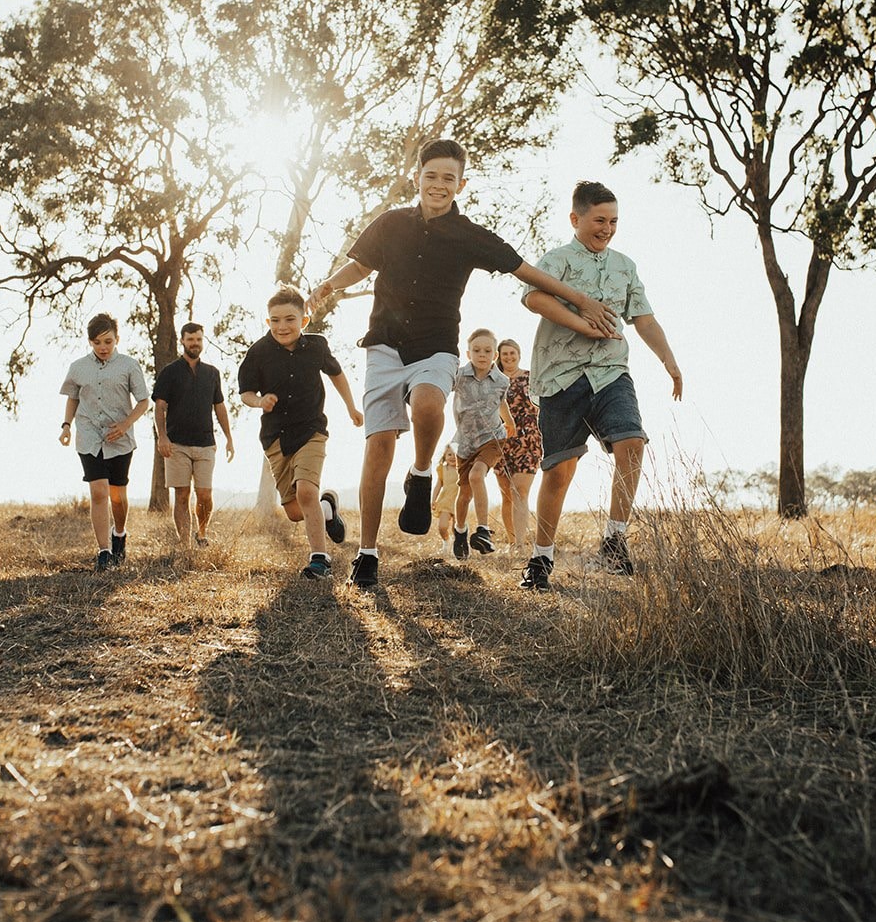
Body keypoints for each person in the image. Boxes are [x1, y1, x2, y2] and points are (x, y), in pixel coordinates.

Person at [308, 137, 617, 590]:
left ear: (461, 184)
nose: (438, 185)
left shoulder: (470, 235)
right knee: (377, 448)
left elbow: (527, 272)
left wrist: (581, 299)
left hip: (435, 347)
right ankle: (367, 553)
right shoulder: (390, 224)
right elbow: (361, 265)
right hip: (383, 346)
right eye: (430, 176)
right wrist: (329, 286)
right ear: (416, 178)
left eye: (448, 178)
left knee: (430, 404)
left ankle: (419, 473)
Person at [518, 181, 683, 591]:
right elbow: (533, 299)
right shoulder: (557, 260)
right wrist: (582, 323)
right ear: (576, 219)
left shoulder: (625, 266)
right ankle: (540, 560)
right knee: (559, 472)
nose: (607, 228)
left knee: (632, 442)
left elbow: (643, 318)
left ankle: (614, 539)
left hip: (611, 373)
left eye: (613, 221)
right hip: (561, 377)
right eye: (599, 220)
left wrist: (669, 359)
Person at [236, 285, 364, 580]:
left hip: (311, 430)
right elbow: (245, 392)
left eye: (290, 319)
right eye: (275, 320)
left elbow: (336, 374)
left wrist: (351, 407)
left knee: (307, 490)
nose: (282, 326)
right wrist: (260, 401)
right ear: (268, 322)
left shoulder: (317, 346)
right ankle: (327, 508)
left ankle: (320, 559)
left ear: (304, 320)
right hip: (276, 436)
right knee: (295, 511)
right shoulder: (258, 352)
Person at [59, 313, 151, 571]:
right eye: (98, 342)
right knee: (99, 492)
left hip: (120, 441)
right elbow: (73, 398)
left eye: (108, 341)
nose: (103, 347)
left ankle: (119, 534)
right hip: (89, 437)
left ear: (117, 339)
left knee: (118, 496)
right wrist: (66, 425)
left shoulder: (129, 365)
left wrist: (125, 425)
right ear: (90, 342)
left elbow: (144, 401)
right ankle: (104, 552)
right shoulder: (78, 367)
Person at [152, 322, 236, 549]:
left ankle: (202, 533)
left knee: (205, 494)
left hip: (205, 444)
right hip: (176, 444)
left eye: (198, 339)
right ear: (182, 341)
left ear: (202, 340)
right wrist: (162, 437)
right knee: (181, 494)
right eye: (190, 340)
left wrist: (228, 438)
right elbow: (159, 407)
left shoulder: (212, 373)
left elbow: (219, 407)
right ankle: (184, 543)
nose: (195, 344)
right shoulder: (169, 372)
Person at [449, 328, 515, 560]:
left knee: (477, 476)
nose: (482, 355)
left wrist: (510, 423)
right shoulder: (458, 377)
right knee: (464, 494)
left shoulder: (501, 381)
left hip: (493, 438)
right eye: (477, 350)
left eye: (488, 351)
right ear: (468, 354)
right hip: (466, 442)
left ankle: (483, 530)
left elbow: (501, 404)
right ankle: (459, 530)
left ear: (494, 355)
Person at [493, 337, 541, 553]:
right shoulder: (493, 380)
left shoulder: (531, 378)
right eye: (505, 354)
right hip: (501, 439)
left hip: (528, 438)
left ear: (519, 354)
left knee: (519, 490)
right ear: (499, 357)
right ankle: (512, 542)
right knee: (506, 494)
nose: (509, 357)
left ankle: (521, 545)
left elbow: (543, 404)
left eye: (512, 353)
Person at [432, 445, 461, 553]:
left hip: (459, 501)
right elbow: (438, 485)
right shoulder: (442, 469)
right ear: (444, 456)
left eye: (455, 455)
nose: (453, 457)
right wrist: (433, 499)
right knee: (442, 526)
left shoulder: (462, 468)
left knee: (456, 528)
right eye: (449, 454)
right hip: (445, 501)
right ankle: (446, 541)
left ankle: (457, 545)